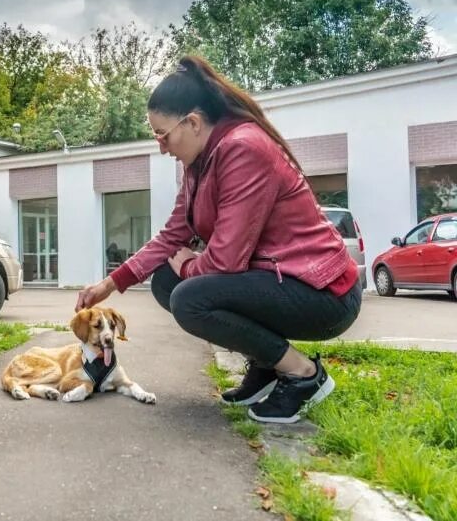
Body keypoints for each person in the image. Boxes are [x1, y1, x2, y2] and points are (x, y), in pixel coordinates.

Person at [76, 56, 362, 424]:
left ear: (192, 123)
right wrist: (110, 284)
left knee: (188, 295)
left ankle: (303, 374)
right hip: (274, 281)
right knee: (167, 280)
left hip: (323, 295)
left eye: (162, 134)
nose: (161, 147)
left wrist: (188, 264)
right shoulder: (197, 162)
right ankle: (266, 365)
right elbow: (173, 234)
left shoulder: (244, 148)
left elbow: (226, 261)